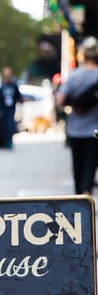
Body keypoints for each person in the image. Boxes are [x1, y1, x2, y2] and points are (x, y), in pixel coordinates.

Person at [55, 36, 98, 195]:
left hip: (75, 130)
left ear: (83, 55)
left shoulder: (74, 76)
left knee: (78, 166)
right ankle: (86, 193)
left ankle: (79, 201)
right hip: (94, 131)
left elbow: (59, 101)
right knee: (90, 165)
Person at [0, 66, 22, 150]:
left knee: (10, 126)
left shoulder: (14, 86)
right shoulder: (2, 87)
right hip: (3, 110)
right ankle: (2, 143)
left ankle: (9, 142)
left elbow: (18, 97)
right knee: (2, 127)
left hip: (11, 110)